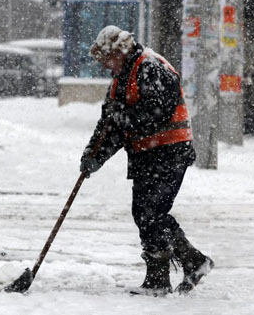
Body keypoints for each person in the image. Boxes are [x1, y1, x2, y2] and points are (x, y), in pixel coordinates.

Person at [80, 25, 214, 296]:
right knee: (145, 213)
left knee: (151, 213)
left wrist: (123, 117)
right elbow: (109, 125)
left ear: (120, 51)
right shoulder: (121, 78)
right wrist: (93, 156)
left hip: (169, 152)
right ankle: (192, 263)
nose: (106, 66)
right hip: (146, 156)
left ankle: (160, 279)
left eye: (108, 59)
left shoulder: (151, 66)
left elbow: (157, 111)